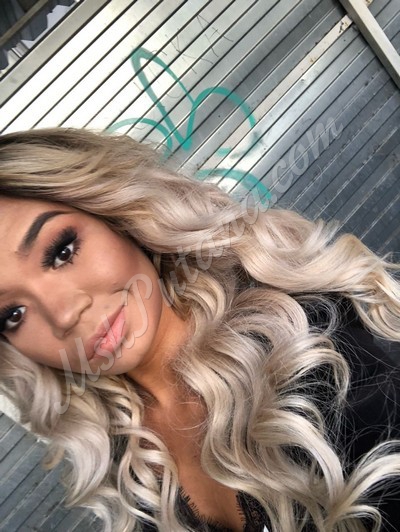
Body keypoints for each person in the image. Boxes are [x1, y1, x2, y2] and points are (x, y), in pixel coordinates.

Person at [0, 127, 399, 532]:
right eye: (12, 314)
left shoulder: (300, 340)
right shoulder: (116, 450)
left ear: (117, 215)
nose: (64, 315)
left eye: (62, 251)